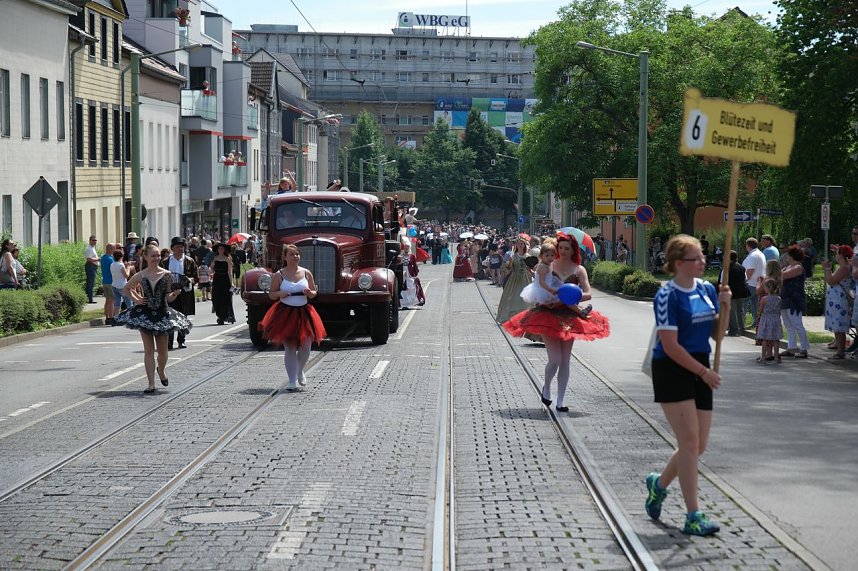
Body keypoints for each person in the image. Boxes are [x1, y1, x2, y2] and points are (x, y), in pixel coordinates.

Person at [644, 234, 731, 537]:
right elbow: (670, 346)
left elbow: (718, 336)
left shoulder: (706, 289)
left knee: (697, 446)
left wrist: (726, 306)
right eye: (697, 258)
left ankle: (658, 484)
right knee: (690, 444)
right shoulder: (667, 295)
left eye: (703, 257)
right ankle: (693, 515)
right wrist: (703, 374)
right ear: (679, 263)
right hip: (672, 368)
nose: (703, 262)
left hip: (700, 365)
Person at [504, 234, 609, 412]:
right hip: (548, 315)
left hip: (570, 316)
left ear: (574, 250)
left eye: (567, 249)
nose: (563, 252)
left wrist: (567, 297)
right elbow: (539, 285)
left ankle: (561, 400)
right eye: (560, 248)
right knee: (555, 359)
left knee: (565, 361)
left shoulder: (579, 269)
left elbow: (588, 293)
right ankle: (546, 387)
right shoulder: (548, 265)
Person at [114, 244, 192, 393]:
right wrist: (137, 300)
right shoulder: (141, 275)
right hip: (145, 314)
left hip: (162, 314)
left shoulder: (167, 274)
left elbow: (168, 298)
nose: (156, 258)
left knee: (163, 353)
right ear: (146, 257)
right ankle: (151, 383)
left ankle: (161, 370)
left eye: (158, 256)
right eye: (153, 256)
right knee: (148, 351)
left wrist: (175, 294)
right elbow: (126, 288)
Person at [259, 244, 327, 391]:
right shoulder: (279, 274)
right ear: (284, 257)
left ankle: (300, 369)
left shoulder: (306, 272)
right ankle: (291, 380)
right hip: (285, 313)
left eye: (297, 254)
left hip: (304, 312)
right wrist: (280, 294)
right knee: (289, 347)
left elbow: (314, 292)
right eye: (291, 254)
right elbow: (271, 294)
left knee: (306, 346)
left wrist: (310, 293)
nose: (295, 256)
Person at [160, 237, 197, 350]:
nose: (180, 249)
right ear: (172, 249)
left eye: (182, 247)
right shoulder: (165, 261)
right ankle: (169, 343)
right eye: (178, 247)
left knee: (182, 317)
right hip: (170, 291)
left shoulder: (189, 261)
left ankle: (181, 340)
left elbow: (196, 277)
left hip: (184, 292)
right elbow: (160, 275)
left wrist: (190, 280)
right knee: (169, 316)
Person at [822, 245, 854, 359]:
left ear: (841, 255)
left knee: (839, 326)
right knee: (837, 326)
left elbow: (830, 280)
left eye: (837, 253)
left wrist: (826, 268)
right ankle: (839, 350)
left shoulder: (844, 268)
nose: (835, 255)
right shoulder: (844, 266)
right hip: (836, 301)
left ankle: (840, 352)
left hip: (839, 301)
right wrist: (839, 249)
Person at [779, 245, 810, 358]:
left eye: (788, 254)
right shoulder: (786, 267)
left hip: (795, 300)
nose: (786, 256)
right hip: (785, 298)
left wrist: (775, 273)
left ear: (792, 255)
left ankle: (804, 348)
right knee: (788, 325)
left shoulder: (798, 267)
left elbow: (783, 276)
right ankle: (791, 348)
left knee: (797, 324)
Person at [496, 237, 533, 324]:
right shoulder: (513, 256)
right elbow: (509, 268)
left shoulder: (529, 256)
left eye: (521, 244)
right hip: (514, 279)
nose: (520, 245)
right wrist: (506, 267)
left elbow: (531, 268)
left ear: (524, 245)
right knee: (514, 297)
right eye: (518, 244)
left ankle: (525, 316)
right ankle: (512, 316)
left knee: (525, 298)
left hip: (526, 278)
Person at [719, 251, 750, 336]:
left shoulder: (726, 269)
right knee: (740, 310)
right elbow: (745, 279)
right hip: (741, 292)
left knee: (731, 312)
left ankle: (733, 329)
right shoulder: (742, 267)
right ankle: (741, 328)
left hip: (731, 292)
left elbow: (723, 282)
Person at [742, 238, 766, 329]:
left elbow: (750, 271)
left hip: (750, 284)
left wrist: (743, 282)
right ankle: (756, 323)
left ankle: (741, 324)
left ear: (748, 245)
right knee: (755, 304)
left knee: (742, 303)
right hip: (758, 284)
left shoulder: (753, 256)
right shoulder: (760, 254)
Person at [757, 278, 783, 364]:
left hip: (766, 320)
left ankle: (763, 357)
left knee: (765, 339)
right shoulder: (779, 299)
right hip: (776, 320)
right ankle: (776, 357)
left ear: (767, 288)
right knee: (776, 340)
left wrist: (759, 315)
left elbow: (760, 310)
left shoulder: (764, 299)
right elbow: (779, 310)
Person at [210, 242, 236, 325]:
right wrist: (212, 267)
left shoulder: (227, 259)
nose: (220, 250)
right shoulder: (215, 258)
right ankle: (219, 315)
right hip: (217, 279)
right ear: (217, 250)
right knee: (216, 297)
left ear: (224, 250)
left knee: (226, 298)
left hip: (225, 279)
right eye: (219, 248)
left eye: (222, 249)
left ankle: (225, 316)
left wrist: (232, 283)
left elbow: (230, 272)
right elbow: (211, 268)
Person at [110, 248, 131, 316]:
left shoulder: (112, 264)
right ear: (121, 257)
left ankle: (115, 318)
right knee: (129, 302)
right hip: (122, 286)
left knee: (117, 304)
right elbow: (126, 276)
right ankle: (131, 317)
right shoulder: (121, 265)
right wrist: (128, 267)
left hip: (114, 285)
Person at [100, 243, 116, 324]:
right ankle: (111, 317)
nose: (114, 250)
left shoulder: (102, 258)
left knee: (107, 300)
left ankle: (107, 317)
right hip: (111, 281)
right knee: (111, 300)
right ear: (109, 249)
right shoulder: (110, 259)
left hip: (105, 281)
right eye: (113, 249)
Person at [84, 235, 99, 303]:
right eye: (93, 240)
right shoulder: (89, 248)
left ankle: (89, 298)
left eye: (95, 240)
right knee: (90, 283)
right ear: (90, 240)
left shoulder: (92, 248)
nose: (94, 241)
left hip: (93, 266)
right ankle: (89, 299)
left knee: (91, 283)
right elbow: (89, 259)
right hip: (90, 266)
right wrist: (98, 259)